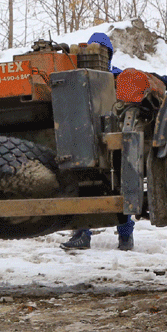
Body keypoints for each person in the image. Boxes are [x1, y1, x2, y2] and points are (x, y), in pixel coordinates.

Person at [61, 31, 135, 252]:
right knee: (85, 186)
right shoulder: (79, 76)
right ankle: (82, 235)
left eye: (103, 51)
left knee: (120, 188)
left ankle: (125, 237)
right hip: (87, 142)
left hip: (113, 141)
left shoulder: (118, 76)